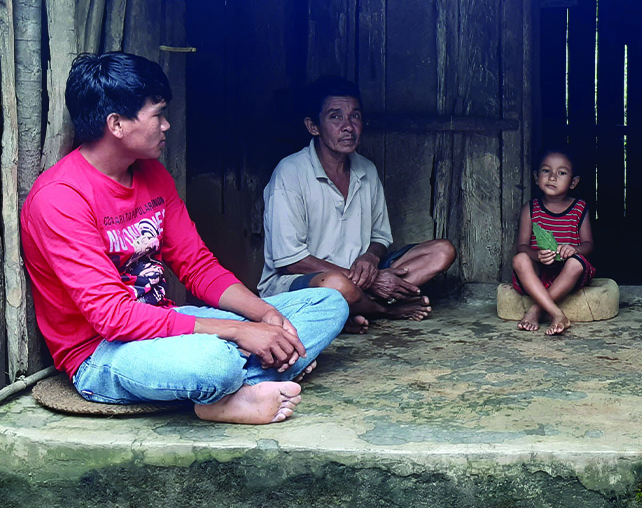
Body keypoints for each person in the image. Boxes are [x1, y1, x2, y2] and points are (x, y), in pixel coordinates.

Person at [20, 52, 349, 424]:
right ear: (116, 124)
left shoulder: (152, 175)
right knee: (215, 363)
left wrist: (265, 315)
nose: (167, 125)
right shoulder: (60, 198)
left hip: (167, 323)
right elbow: (113, 318)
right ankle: (241, 381)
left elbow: (197, 266)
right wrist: (240, 332)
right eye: (157, 114)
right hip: (102, 352)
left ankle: (238, 387)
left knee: (327, 304)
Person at [258, 76, 457, 333]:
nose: (348, 127)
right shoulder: (290, 173)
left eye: (355, 116)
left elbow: (380, 237)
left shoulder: (366, 169)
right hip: (302, 281)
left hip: (359, 274)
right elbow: (290, 260)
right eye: (335, 117)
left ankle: (349, 309)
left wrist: (370, 259)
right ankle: (382, 309)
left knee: (442, 251)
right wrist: (368, 282)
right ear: (313, 126)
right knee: (337, 285)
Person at [510, 149, 596, 335]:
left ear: (574, 182)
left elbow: (589, 245)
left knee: (576, 264)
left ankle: (536, 309)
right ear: (536, 176)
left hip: (568, 273)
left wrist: (574, 249)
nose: (552, 177)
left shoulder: (579, 208)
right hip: (541, 273)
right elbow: (522, 246)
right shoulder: (530, 209)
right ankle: (557, 313)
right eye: (546, 171)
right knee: (519, 259)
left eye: (561, 173)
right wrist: (537, 255)